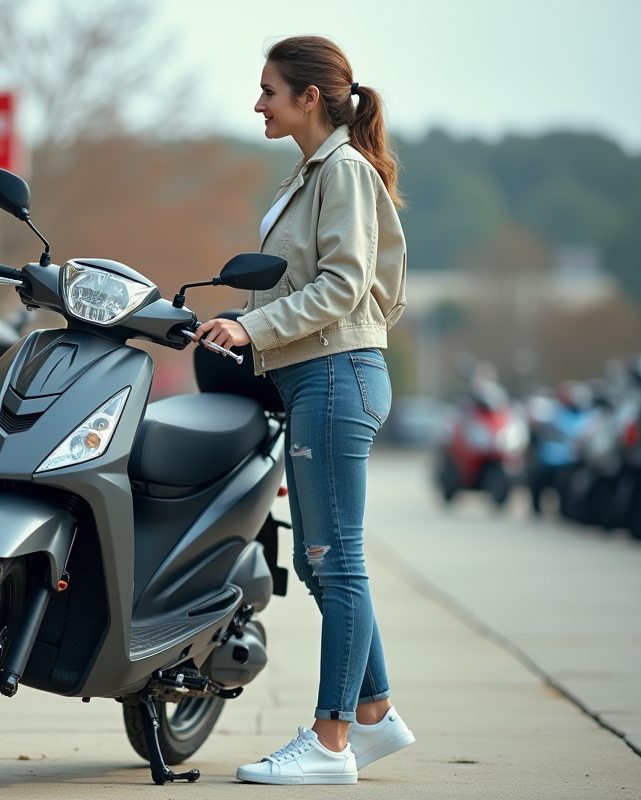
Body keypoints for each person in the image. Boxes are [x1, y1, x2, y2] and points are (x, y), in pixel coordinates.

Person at [192, 35, 412, 785]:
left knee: (335, 562)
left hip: (335, 376)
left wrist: (248, 327)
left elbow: (344, 286)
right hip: (312, 376)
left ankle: (329, 743)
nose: (258, 103)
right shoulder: (312, 171)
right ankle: (375, 715)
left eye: (269, 90)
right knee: (326, 568)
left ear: (307, 97)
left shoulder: (342, 170)